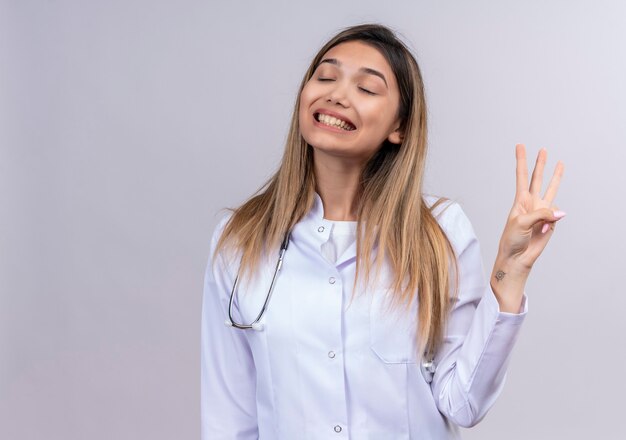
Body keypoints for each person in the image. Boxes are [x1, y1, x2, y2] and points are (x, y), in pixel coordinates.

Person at [201, 23, 565, 439]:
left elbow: (462, 402)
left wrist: (510, 271)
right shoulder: (239, 239)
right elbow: (229, 419)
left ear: (400, 128)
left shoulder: (440, 232)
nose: (337, 94)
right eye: (325, 76)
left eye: (367, 89)